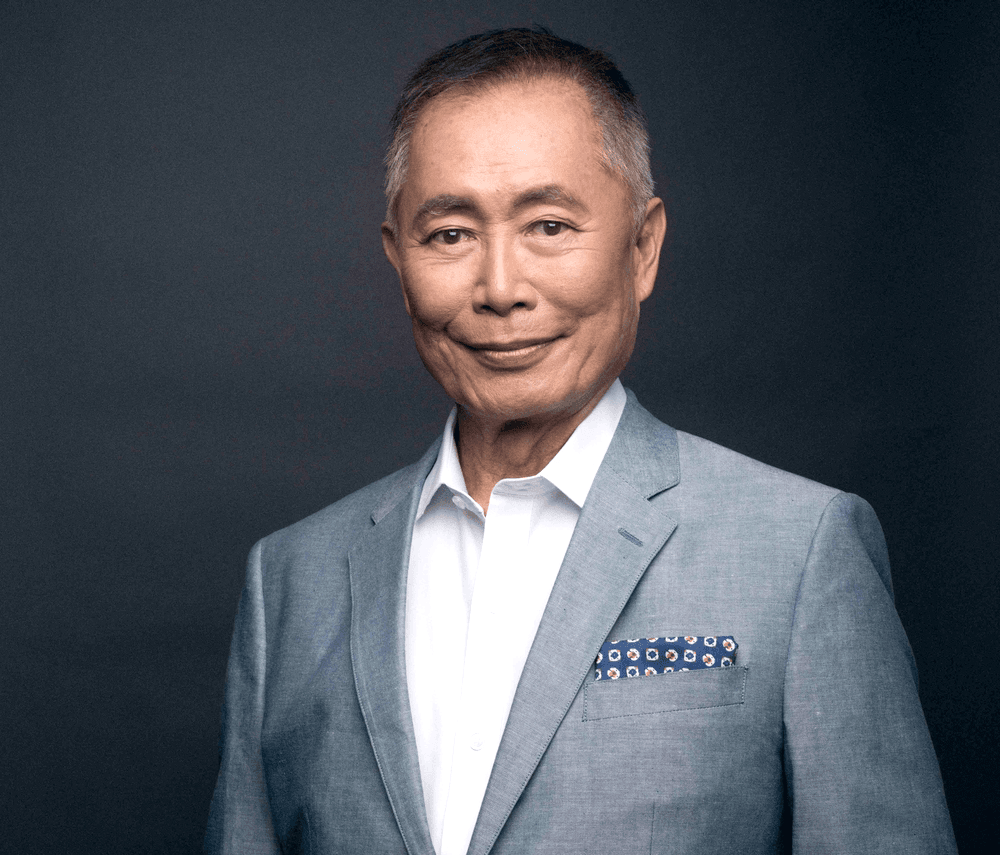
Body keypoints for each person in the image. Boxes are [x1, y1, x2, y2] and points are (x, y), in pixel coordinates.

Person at [204, 29, 956, 854]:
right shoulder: (291, 580)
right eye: (450, 234)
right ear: (397, 257)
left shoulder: (800, 551)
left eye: (550, 225)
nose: (499, 288)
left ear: (643, 247)